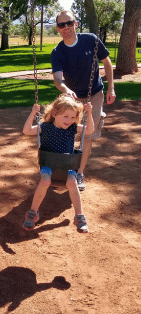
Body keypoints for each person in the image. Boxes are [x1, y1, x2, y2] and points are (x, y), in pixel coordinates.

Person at [51, 10, 116, 191]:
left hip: (94, 94)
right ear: (57, 29)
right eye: (62, 25)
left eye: (69, 23)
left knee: (88, 135)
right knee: (69, 131)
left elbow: (107, 62)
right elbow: (57, 79)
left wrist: (111, 88)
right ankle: (67, 169)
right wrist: (66, 90)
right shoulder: (58, 52)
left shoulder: (91, 40)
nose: (66, 28)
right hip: (72, 99)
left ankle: (79, 173)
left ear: (76, 24)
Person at [22, 94, 94, 233]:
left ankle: (79, 216)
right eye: (66, 116)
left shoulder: (73, 128)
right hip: (48, 164)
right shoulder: (45, 127)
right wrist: (33, 113)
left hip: (67, 165)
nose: (69, 120)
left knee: (72, 182)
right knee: (44, 181)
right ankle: (33, 213)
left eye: (73, 117)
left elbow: (90, 130)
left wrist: (89, 113)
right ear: (55, 114)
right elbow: (26, 131)